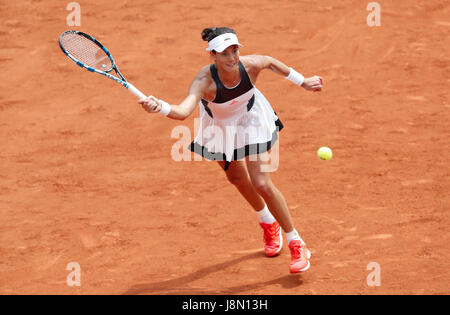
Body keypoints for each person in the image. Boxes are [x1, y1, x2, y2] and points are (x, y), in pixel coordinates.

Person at [139, 27, 323, 273]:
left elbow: (270, 62)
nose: (231, 58)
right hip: (220, 127)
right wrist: (158, 106)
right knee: (236, 178)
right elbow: (182, 112)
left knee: (261, 183)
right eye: (224, 53)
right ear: (212, 55)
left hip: (252, 119)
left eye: (234, 51)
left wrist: (303, 81)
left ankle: (296, 242)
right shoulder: (204, 81)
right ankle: (268, 221)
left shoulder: (251, 65)